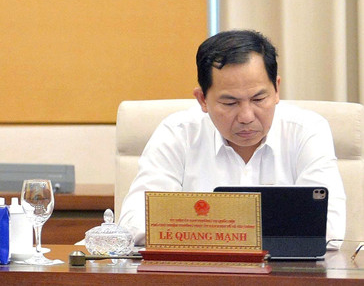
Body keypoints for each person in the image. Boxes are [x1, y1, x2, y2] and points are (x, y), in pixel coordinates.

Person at [118, 29, 345, 247]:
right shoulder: (177, 134)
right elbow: (136, 223)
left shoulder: (307, 131)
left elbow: (329, 229)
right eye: (230, 103)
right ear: (202, 100)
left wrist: (209, 229)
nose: (246, 117)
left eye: (258, 99)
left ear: (276, 89)